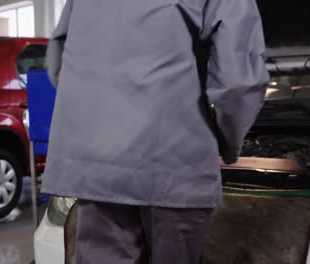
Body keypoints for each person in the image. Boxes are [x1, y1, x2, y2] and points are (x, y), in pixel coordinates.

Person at [43, 0, 269, 263]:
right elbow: (238, 84)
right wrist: (228, 144)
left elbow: (58, 62)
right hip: (175, 164)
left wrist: (99, 125)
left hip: (97, 167)